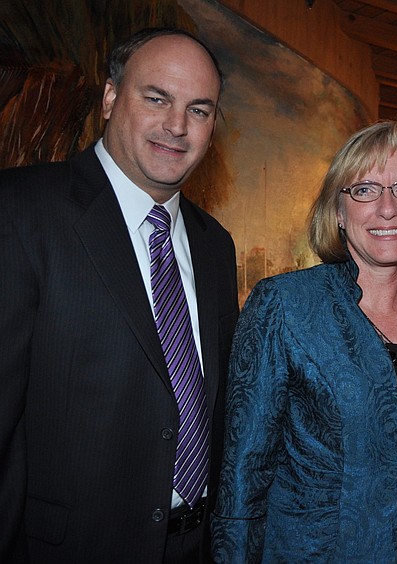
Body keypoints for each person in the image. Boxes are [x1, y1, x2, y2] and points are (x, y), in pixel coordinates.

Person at [0, 28, 239, 562]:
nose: (177, 126)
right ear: (110, 99)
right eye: (157, 98)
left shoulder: (214, 245)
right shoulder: (21, 212)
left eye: (199, 110)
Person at [210, 121, 397, 563]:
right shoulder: (285, 305)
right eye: (365, 190)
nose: (388, 208)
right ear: (339, 212)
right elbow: (242, 475)